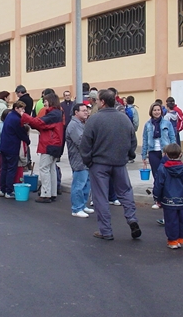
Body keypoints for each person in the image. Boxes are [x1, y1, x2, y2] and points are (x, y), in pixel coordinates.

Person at [79, 89, 141, 241]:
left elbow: (85, 144)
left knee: (101, 197)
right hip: (119, 163)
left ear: (103, 102)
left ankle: (105, 230)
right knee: (125, 193)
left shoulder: (94, 120)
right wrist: (128, 155)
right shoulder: (124, 118)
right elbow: (133, 140)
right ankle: (132, 219)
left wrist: (88, 160)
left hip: (99, 164)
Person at [21, 93, 64, 203]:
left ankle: (46, 194)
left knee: (44, 168)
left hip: (49, 144)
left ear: (51, 101)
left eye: (45, 101)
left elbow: (40, 122)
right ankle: (52, 193)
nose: (44, 103)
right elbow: (41, 124)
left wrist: (24, 116)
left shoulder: (53, 114)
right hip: (55, 144)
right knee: (52, 168)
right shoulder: (58, 113)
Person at [153, 143, 183, 249]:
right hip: (181, 199)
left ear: (166, 155)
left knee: (171, 221)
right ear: (180, 154)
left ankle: (172, 240)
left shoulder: (163, 169)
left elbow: (158, 184)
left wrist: (156, 197)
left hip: (168, 199)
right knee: (182, 220)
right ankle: (180, 239)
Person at [142, 102, 176, 204]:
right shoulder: (148, 124)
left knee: (166, 176)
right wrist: (144, 155)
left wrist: (173, 152)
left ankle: (167, 198)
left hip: (165, 153)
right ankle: (158, 200)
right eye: (154, 110)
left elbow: (172, 137)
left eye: (158, 110)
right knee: (156, 176)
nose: (157, 112)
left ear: (161, 111)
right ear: (151, 112)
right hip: (153, 152)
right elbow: (144, 140)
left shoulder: (167, 123)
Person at [66, 103, 95, 218]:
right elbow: (81, 142)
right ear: (76, 112)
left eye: (86, 110)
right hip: (78, 159)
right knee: (79, 184)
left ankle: (82, 205)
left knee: (86, 183)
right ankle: (76, 208)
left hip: (85, 159)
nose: (86, 112)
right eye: (83, 110)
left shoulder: (82, 124)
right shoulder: (73, 125)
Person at [0, 101, 31, 198]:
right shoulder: (17, 119)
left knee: (4, 168)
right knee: (11, 169)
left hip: (4, 146)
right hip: (12, 147)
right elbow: (21, 133)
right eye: (21, 109)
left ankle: (2, 189)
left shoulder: (9, 116)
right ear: (16, 108)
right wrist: (27, 140)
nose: (23, 111)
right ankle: (9, 191)